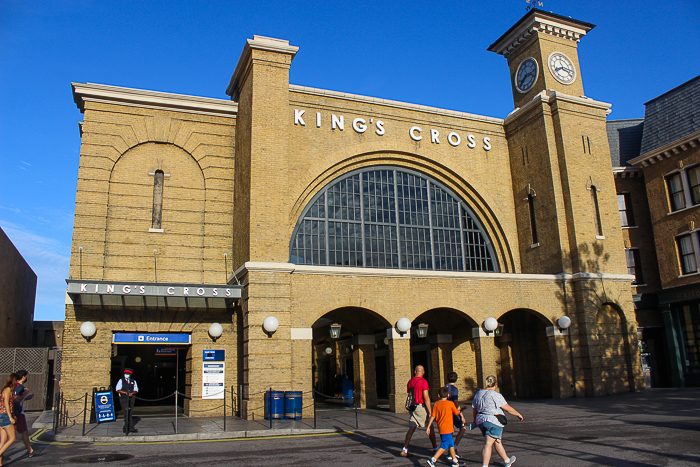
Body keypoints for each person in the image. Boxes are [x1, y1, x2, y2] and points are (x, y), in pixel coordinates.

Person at [472, 375, 523, 467]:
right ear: (495, 384)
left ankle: (507, 461)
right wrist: (518, 414)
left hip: (481, 420)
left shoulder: (478, 393)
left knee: (497, 441)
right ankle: (485, 465)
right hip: (493, 421)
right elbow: (508, 409)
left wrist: (474, 421)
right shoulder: (495, 395)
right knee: (488, 443)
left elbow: (474, 408)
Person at [401, 365, 437, 457]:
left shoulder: (410, 381)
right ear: (423, 372)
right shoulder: (424, 382)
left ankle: (405, 449)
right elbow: (426, 397)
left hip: (413, 407)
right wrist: (430, 412)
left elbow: (409, 393)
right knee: (430, 426)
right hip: (421, 407)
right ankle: (435, 448)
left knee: (412, 427)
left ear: (415, 372)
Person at [425, 386, 466, 467]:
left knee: (451, 444)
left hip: (441, 427)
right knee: (444, 445)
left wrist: (428, 426)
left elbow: (433, 416)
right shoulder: (450, 403)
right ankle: (433, 460)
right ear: (448, 395)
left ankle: (455, 461)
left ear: (439, 395)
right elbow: (456, 413)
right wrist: (462, 409)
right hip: (448, 428)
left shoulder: (436, 404)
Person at [445, 371, 467, 460]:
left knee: (450, 431)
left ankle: (451, 450)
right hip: (453, 412)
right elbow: (456, 402)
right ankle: (454, 449)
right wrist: (461, 415)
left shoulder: (444, 388)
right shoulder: (454, 389)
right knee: (462, 428)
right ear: (456, 379)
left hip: (446, 412)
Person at [12, 370, 34, 457]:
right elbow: (16, 399)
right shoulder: (20, 387)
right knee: (24, 432)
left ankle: (2, 453)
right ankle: (30, 450)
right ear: (23, 377)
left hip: (11, 413)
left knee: (7, 435)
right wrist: (26, 393)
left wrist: (26, 398)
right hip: (18, 413)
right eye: (26, 376)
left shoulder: (14, 386)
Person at [0, 374, 18, 466]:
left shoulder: (4, 389)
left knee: (3, 440)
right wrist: (10, 417)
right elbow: (6, 404)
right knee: (12, 438)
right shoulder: (7, 390)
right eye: (17, 381)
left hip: (1, 416)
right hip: (5, 416)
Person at [115, 368, 139, 434]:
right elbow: (117, 389)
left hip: (131, 398)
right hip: (124, 398)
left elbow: (136, 389)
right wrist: (125, 393)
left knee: (130, 413)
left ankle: (127, 427)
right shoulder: (121, 380)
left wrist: (132, 393)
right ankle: (128, 428)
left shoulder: (133, 381)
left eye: (128, 374)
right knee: (126, 412)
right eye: (126, 374)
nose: (127, 375)